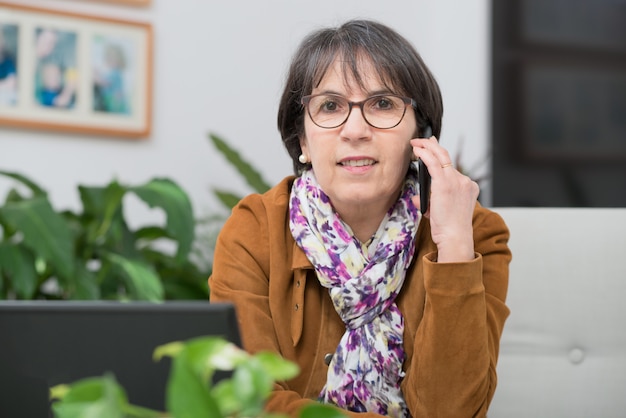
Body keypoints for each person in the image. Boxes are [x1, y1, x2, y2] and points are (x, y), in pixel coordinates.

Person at [209, 19, 511, 418]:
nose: (355, 130)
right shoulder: (254, 230)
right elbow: (246, 403)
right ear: (302, 140)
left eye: (382, 104)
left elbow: (453, 410)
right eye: (330, 106)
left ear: (420, 136)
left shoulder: (475, 235)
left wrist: (453, 245)